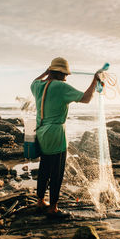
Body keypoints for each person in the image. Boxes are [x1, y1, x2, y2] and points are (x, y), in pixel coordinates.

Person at [30, 57, 100, 218]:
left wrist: (45, 73)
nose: (66, 77)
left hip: (41, 132)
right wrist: (94, 82)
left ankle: (40, 200)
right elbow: (86, 98)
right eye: (65, 74)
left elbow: (34, 80)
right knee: (57, 172)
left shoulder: (38, 86)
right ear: (61, 74)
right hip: (56, 134)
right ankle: (53, 207)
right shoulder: (61, 87)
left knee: (44, 168)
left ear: (50, 71)